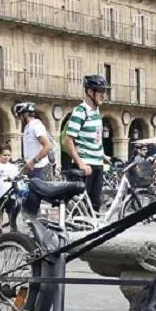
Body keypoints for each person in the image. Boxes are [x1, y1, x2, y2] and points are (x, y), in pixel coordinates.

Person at [64, 75, 108, 211]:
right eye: (101, 91)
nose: (104, 95)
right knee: (81, 206)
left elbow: (95, 138)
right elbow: (68, 140)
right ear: (90, 92)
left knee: (95, 205)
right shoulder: (80, 111)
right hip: (85, 167)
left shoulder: (96, 111)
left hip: (97, 165)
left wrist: (105, 157)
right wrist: (80, 163)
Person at [15, 101, 53, 180]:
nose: (19, 119)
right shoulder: (27, 128)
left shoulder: (37, 125)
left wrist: (34, 161)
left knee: (39, 192)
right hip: (32, 168)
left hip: (39, 168)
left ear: (25, 115)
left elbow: (47, 146)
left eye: (20, 116)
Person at [0, 147, 20, 228]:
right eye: (4, 155)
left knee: (11, 213)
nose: (6, 157)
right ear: (0, 155)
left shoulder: (13, 167)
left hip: (11, 194)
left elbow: (17, 179)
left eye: (8, 155)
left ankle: (13, 229)